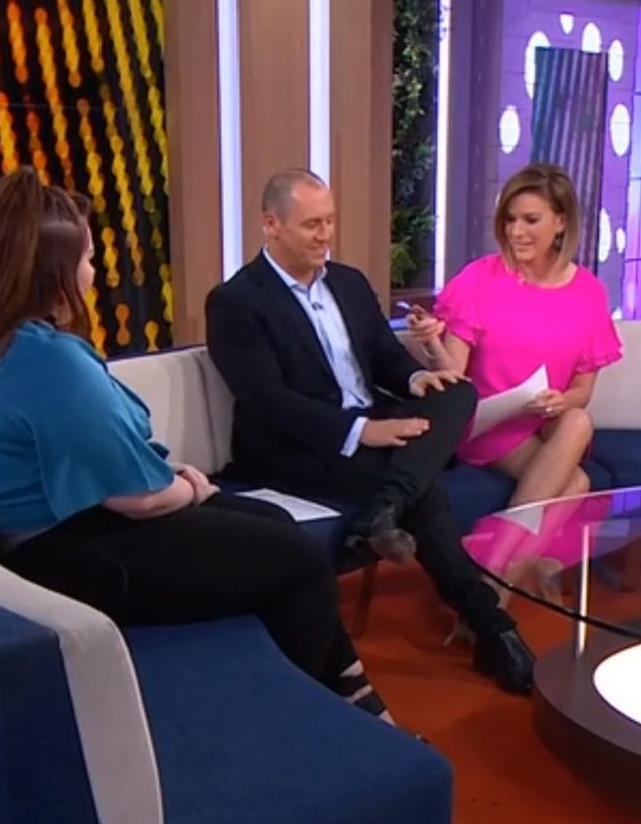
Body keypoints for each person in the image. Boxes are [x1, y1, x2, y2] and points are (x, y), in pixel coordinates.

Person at [0, 167, 399, 725]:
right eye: (87, 259)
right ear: (53, 273)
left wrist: (175, 480)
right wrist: (189, 486)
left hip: (57, 531)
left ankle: (348, 687)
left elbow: (102, 468)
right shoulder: (50, 362)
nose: (93, 272)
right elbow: (138, 499)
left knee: (275, 523)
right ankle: (285, 724)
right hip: (64, 553)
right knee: (300, 563)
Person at [204, 168, 537, 696]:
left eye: (329, 221)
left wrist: (416, 379)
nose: (325, 235)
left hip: (372, 423)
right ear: (271, 224)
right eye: (311, 224)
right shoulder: (236, 302)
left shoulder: (349, 282)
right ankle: (493, 626)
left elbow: (384, 356)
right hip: (296, 448)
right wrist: (362, 431)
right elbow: (269, 403)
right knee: (424, 492)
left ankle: (384, 509)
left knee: (458, 392)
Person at [404, 163, 623, 591]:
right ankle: (498, 581)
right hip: (484, 423)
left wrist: (560, 401)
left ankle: (493, 576)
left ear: (561, 222)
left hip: (544, 423)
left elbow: (582, 391)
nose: (516, 231)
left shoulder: (588, 293)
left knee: (578, 421)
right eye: (510, 219)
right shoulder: (479, 278)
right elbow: (452, 377)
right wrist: (430, 343)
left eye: (530, 220)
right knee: (576, 481)